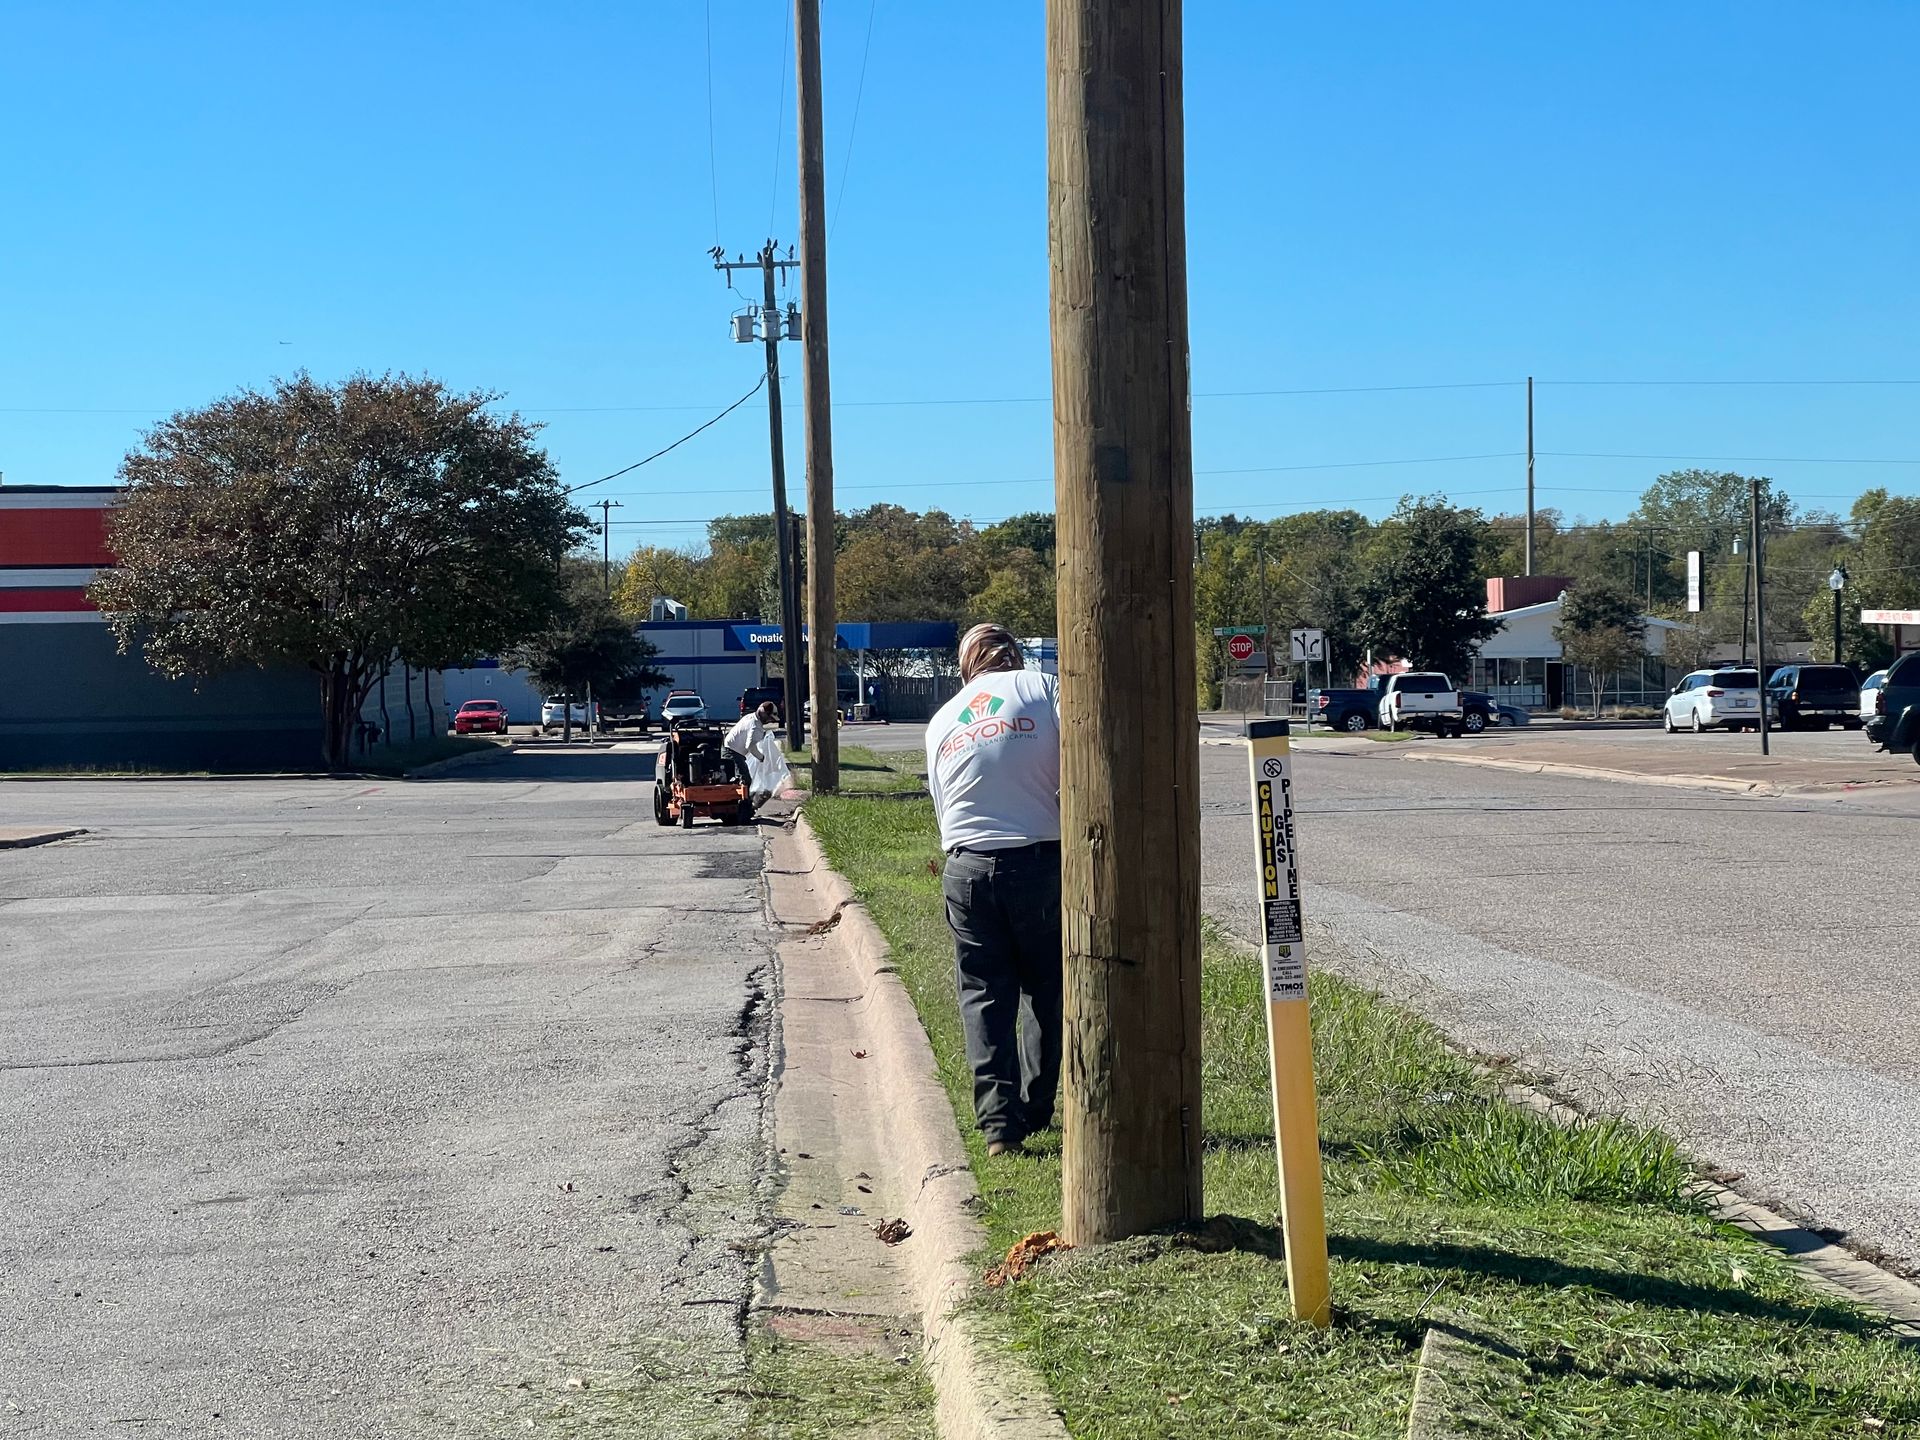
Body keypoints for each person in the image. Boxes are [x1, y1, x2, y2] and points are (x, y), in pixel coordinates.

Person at [925, 623, 1061, 1158]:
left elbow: (943, 808)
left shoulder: (942, 720)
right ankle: (1038, 1106)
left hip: (966, 866)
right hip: (1037, 859)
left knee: (984, 994)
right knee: (1046, 990)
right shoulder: (1043, 688)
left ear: (967, 666)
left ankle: (999, 1129)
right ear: (1014, 655)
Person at [726, 701, 781, 805]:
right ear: (763, 712)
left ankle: (735, 804)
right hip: (733, 751)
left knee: (733, 779)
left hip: (731, 747)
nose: (769, 721)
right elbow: (750, 746)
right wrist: (761, 757)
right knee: (745, 781)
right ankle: (744, 809)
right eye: (769, 717)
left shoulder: (750, 717)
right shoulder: (756, 727)